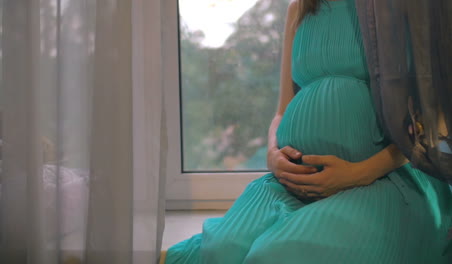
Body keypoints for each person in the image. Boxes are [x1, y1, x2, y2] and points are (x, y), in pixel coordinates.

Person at [165, 0, 452, 263]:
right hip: (289, 183)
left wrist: (360, 173)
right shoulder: (300, 8)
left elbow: (436, 118)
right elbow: (282, 110)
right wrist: (272, 154)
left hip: (380, 181)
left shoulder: (408, 7)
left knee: (277, 257)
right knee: (221, 252)